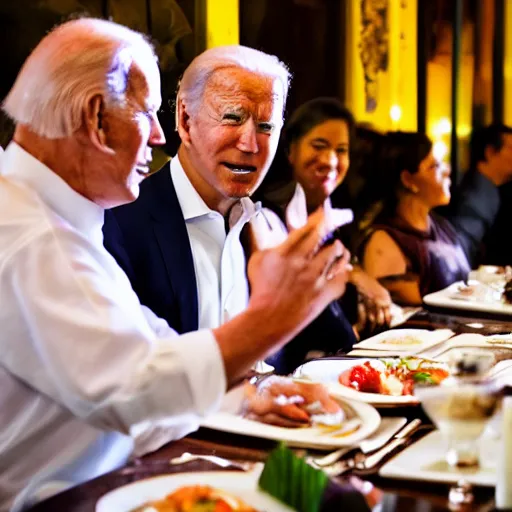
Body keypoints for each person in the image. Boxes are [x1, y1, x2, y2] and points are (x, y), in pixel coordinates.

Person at [0, 18, 354, 511]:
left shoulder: (59, 217)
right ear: (97, 119)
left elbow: (152, 353)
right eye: (148, 113)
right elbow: (132, 387)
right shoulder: (30, 233)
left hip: (137, 477)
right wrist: (272, 318)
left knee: (338, 498)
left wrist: (244, 399)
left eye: (266, 126)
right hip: (70, 501)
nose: (161, 136)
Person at [258, 98, 392, 340]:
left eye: (341, 150)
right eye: (318, 146)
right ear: (291, 150)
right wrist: (354, 277)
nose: (330, 161)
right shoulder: (267, 215)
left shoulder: (340, 210)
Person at [360, 131, 493, 305]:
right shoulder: (385, 241)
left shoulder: (441, 226)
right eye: (435, 166)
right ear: (408, 179)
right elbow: (407, 315)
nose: (447, 171)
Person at [456, 123, 512, 266]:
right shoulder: (474, 197)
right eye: (511, 149)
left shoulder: (492, 190)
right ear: (490, 152)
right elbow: (462, 253)